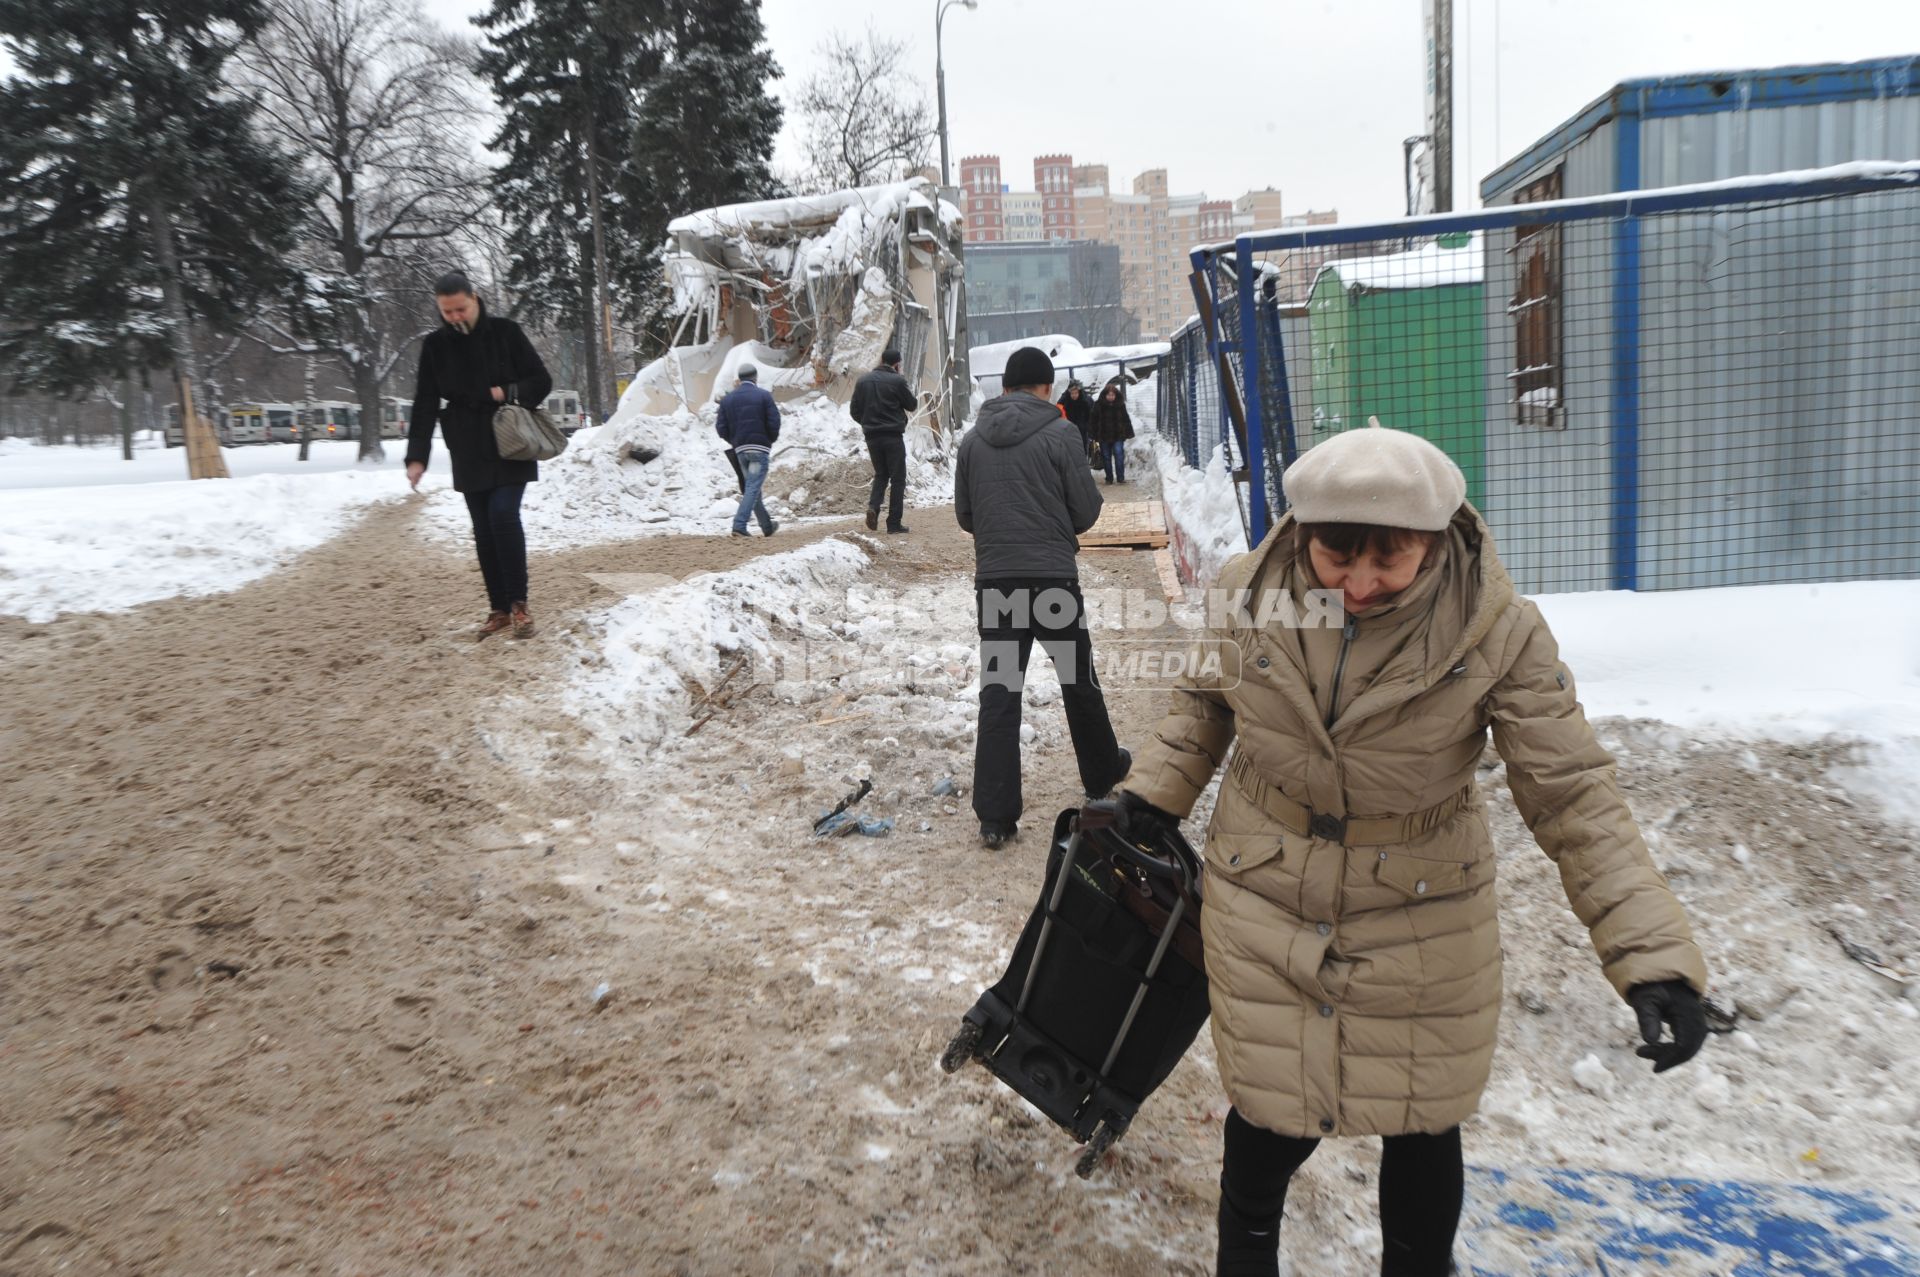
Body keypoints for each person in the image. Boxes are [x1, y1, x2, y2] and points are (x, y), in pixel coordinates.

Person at [1108, 422, 1710, 1277]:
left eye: (1388, 560)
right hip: (1267, 890)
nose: (1357, 584)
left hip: (1424, 908)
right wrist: (1149, 800)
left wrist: (1652, 957)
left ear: (1436, 540)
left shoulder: (1496, 629)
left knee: (1423, 1120)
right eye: (1335, 556)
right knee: (1266, 1121)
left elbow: (1571, 788)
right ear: (1302, 535)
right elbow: (1203, 705)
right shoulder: (1247, 594)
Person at [955, 346, 1131, 849]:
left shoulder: (971, 442)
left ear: (1005, 387)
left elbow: (966, 516)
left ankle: (995, 815)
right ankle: (1101, 776)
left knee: (1000, 693)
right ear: (1046, 388)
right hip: (1053, 579)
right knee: (1078, 680)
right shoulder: (1062, 433)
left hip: (997, 583)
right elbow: (1086, 510)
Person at [405, 271, 553, 640]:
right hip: (466, 443)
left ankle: (519, 605)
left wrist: (505, 392)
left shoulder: (506, 332)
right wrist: (417, 455)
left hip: (510, 440)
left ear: (474, 298)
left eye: (460, 309)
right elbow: (424, 401)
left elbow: (541, 381)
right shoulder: (435, 346)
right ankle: (498, 609)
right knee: (483, 529)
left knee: (503, 514)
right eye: (446, 311)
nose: (454, 317)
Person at [850, 347, 917, 534]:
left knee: (881, 474)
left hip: (872, 437)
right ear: (897, 364)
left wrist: (867, 423)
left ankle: (873, 507)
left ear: (882, 360)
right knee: (898, 479)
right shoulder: (897, 381)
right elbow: (912, 404)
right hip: (892, 436)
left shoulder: (863, 381)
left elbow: (854, 410)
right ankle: (894, 523)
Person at [715, 363, 780, 539]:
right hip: (759, 449)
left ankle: (767, 526)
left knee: (752, 487)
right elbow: (774, 422)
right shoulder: (764, 396)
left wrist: (735, 441)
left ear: (739, 379)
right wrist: (768, 440)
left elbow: (721, 427)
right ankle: (739, 524)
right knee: (752, 486)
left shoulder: (728, 400)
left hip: (741, 450)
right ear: (755, 377)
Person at [1090, 381, 1135, 485]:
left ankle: (1120, 478)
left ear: (1116, 395)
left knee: (1119, 454)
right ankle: (1109, 478)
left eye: (1113, 395)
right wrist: (1092, 434)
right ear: (1105, 395)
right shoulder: (1098, 405)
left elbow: (1125, 419)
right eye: (1109, 395)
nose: (1111, 397)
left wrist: (1129, 431)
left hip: (1117, 435)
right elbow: (1093, 420)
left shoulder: (1120, 405)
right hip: (1103, 436)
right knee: (1106, 456)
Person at [1057, 378, 1092, 462]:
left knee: (1083, 448)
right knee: (1072, 448)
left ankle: (1084, 462)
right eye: (1072, 393)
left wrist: (1088, 426)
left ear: (1079, 392)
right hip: (1070, 428)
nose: (1074, 395)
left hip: (1083, 429)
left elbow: (1091, 412)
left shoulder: (1085, 400)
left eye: (1076, 393)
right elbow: (1059, 405)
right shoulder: (1066, 400)